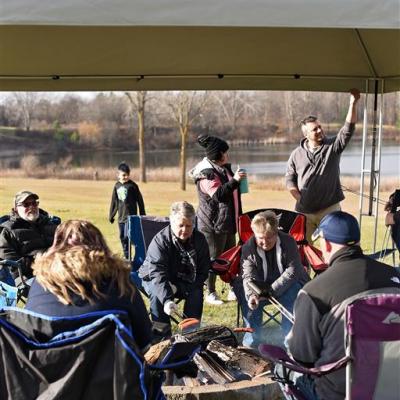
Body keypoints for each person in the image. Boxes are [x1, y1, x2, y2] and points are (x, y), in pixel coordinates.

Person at [285, 211, 400, 400]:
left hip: (340, 393)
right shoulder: (395, 277)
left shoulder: (314, 291)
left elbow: (302, 357)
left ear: (327, 243)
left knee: (285, 373)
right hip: (393, 388)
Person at [26, 219, 152, 353]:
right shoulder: (120, 283)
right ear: (101, 246)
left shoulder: (39, 283)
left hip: (48, 370)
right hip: (111, 371)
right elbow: (144, 341)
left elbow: (28, 337)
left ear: (56, 246)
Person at [285, 88, 361, 243]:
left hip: (330, 209)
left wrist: (353, 104)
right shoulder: (296, 154)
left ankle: (331, 269)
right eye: (315, 129)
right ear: (306, 134)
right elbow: (289, 178)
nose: (320, 130)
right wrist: (297, 196)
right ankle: (304, 269)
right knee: (303, 249)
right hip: (304, 211)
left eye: (320, 127)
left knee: (334, 247)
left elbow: (348, 129)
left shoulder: (332, 146)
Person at [138, 201, 210, 341]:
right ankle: (162, 338)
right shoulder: (160, 241)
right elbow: (157, 273)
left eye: (189, 226)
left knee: (196, 292)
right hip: (152, 277)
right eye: (181, 225)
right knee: (156, 293)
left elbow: (203, 271)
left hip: (183, 280)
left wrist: (179, 287)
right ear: (171, 222)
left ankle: (191, 335)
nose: (185, 230)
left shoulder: (200, 240)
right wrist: (166, 300)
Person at [189, 135, 246, 305]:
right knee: (213, 259)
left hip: (229, 221)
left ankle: (233, 289)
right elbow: (219, 195)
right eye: (225, 153)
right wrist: (235, 180)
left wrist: (236, 180)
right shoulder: (207, 174)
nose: (227, 156)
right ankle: (211, 292)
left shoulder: (224, 169)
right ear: (218, 155)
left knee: (232, 258)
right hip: (213, 224)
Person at [240, 211, 309, 348]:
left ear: (276, 232)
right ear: (254, 234)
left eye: (269, 237)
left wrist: (271, 291)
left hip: (286, 284)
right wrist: (253, 295)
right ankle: (252, 342)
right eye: (261, 238)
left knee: (292, 293)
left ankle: (289, 341)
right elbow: (248, 276)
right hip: (260, 286)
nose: (265, 242)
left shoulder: (288, 242)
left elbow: (293, 271)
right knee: (245, 297)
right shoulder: (248, 247)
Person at [0, 190, 59, 282]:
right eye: (26, 204)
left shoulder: (51, 224)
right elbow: (13, 264)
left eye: (34, 203)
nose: (31, 207)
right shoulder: (8, 231)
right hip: (33, 277)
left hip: (60, 272)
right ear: (16, 208)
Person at [109, 162, 146, 259]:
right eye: (124, 175)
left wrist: (142, 214)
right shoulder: (116, 186)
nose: (126, 177)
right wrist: (111, 215)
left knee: (131, 238)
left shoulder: (133, 186)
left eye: (127, 175)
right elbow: (114, 202)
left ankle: (137, 257)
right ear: (118, 175)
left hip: (131, 217)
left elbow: (140, 201)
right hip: (121, 218)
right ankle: (127, 258)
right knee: (123, 238)